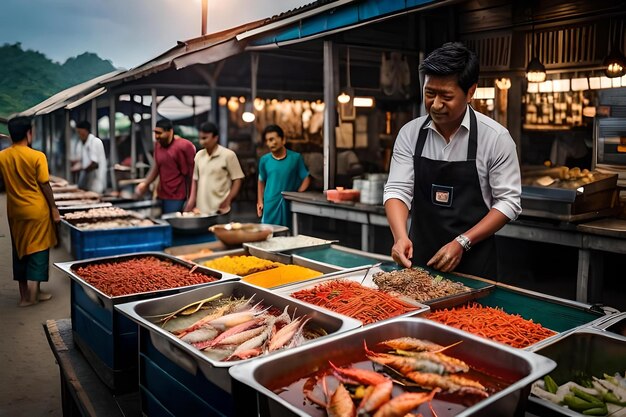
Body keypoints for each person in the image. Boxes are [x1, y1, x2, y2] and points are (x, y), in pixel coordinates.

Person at [383, 42, 522, 279]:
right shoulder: (410, 133)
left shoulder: (496, 138)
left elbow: (508, 202)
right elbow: (397, 189)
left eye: (446, 96)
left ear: (470, 92)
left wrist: (463, 242)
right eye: (430, 94)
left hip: (475, 266)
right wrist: (400, 236)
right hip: (419, 266)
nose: (436, 104)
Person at [0, 116, 61, 306]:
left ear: (11, 135)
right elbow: (45, 184)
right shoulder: (37, 156)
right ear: (28, 133)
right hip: (37, 210)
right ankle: (33, 296)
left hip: (15, 211)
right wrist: (54, 208)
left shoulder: (2, 156)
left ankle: (24, 296)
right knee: (39, 251)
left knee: (20, 250)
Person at [134, 118, 196, 214]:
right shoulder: (158, 146)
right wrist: (145, 184)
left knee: (173, 223)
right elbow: (156, 167)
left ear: (170, 132)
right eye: (155, 133)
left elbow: (193, 175)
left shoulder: (184, 146)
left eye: (159, 133)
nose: (156, 136)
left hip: (177, 196)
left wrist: (192, 200)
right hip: (162, 194)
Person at [184, 122, 244, 214]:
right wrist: (191, 201)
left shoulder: (228, 155)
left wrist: (228, 199)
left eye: (205, 138)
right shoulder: (199, 156)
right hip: (201, 210)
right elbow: (195, 180)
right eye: (200, 138)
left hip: (220, 209)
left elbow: (238, 179)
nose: (201, 141)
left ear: (215, 138)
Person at [257, 124, 310, 228]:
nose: (270, 143)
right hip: (269, 204)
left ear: (283, 139)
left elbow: (306, 178)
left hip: (287, 204)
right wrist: (260, 202)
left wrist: (297, 195)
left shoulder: (296, 158)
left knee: (287, 235)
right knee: (268, 234)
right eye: (267, 140)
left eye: (272, 139)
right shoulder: (264, 160)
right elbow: (261, 181)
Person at [72, 120, 108, 193]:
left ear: (85, 131)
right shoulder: (83, 144)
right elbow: (81, 161)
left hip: (96, 182)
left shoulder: (95, 142)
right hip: (88, 184)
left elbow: (94, 164)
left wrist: (82, 169)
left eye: (79, 132)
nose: (78, 134)